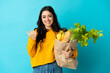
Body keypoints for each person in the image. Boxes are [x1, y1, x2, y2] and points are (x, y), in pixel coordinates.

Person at [26, 6, 78, 73]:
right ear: (41, 19)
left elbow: (74, 51)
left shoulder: (61, 33)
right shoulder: (36, 33)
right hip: (39, 69)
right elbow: (31, 53)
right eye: (44, 17)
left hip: (55, 67)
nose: (47, 19)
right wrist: (32, 39)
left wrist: (70, 54)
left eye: (49, 16)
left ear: (53, 17)